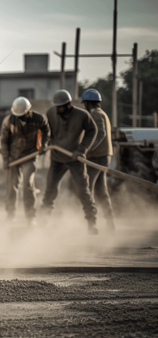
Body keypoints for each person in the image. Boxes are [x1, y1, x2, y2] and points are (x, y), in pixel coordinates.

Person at [40, 89, 99, 234]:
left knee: (83, 191)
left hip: (75, 158)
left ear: (68, 104)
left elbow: (93, 131)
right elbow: (47, 132)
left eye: (59, 106)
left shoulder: (82, 115)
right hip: (56, 159)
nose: (57, 109)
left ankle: (92, 223)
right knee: (50, 191)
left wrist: (82, 150)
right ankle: (42, 222)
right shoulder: (50, 113)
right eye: (55, 106)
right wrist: (44, 144)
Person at [1, 96, 50, 224]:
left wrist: (43, 144)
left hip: (30, 155)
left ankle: (30, 217)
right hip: (13, 157)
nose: (20, 117)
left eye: (23, 115)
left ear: (29, 111)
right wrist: (6, 159)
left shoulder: (39, 119)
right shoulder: (8, 121)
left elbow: (46, 131)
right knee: (12, 187)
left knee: (28, 185)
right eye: (18, 115)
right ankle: (10, 215)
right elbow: (4, 141)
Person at [82, 88, 115, 231]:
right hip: (105, 156)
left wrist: (87, 149)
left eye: (85, 103)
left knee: (87, 189)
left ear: (88, 103)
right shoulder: (103, 113)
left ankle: (92, 224)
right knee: (102, 190)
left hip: (97, 157)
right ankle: (110, 223)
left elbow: (100, 133)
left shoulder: (94, 114)